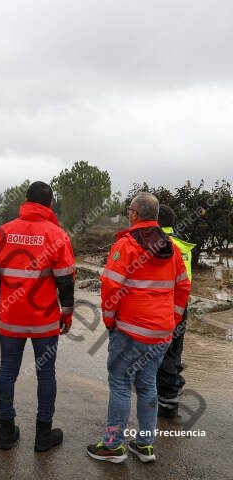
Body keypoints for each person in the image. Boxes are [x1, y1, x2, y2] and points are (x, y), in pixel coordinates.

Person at [87, 193, 191, 464]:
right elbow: (183, 287)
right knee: (147, 385)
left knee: (120, 384)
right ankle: (145, 445)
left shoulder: (126, 245)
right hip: (161, 333)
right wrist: (174, 319)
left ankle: (113, 446)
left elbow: (111, 286)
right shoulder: (173, 250)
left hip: (130, 332)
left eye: (129, 210)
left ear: (134, 214)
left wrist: (110, 321)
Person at [0, 181, 76, 452]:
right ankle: (43, 435)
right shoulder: (57, 235)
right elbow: (66, 281)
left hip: (10, 318)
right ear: (49, 204)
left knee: (7, 371)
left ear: (26, 201)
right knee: (46, 374)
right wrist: (67, 315)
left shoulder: (3, 231)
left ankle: (6, 432)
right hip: (45, 321)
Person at [156, 204, 195, 419]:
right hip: (182, 304)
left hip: (166, 304)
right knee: (175, 352)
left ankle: (168, 403)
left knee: (164, 355)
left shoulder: (162, 245)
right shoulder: (181, 244)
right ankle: (171, 398)